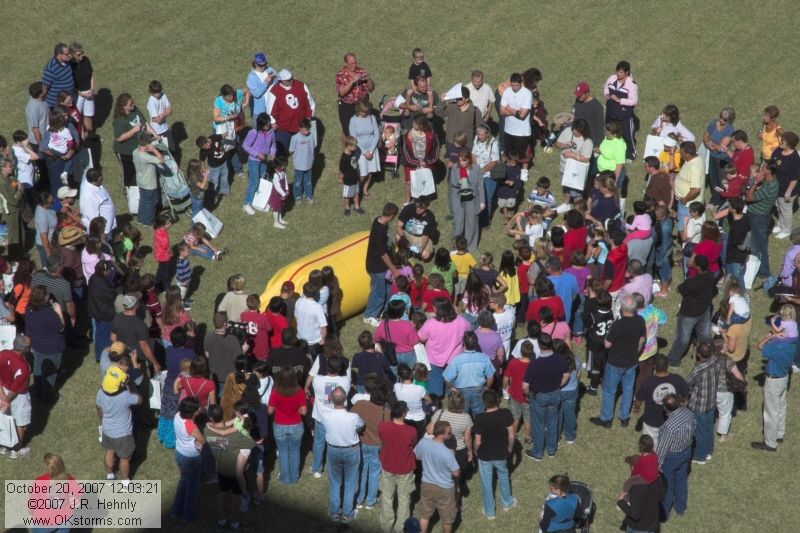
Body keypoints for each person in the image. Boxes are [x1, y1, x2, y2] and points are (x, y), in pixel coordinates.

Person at [590, 295, 646, 428]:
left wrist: (606, 336)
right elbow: (642, 340)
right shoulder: (640, 320)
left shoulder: (618, 324)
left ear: (622, 308)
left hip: (615, 362)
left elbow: (607, 345)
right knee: (627, 389)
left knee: (609, 390)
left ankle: (606, 418)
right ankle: (624, 418)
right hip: (632, 361)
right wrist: (636, 351)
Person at [203, 404, 252, 532]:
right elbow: (252, 443)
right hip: (235, 470)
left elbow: (222, 433)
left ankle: (221, 522)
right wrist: (241, 424)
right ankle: (234, 524)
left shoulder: (206, 430)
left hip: (221, 468)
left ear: (211, 419)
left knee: (222, 493)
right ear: (222, 415)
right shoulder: (236, 436)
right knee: (236, 497)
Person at [321, 386, 363, 524]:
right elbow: (361, 425)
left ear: (331, 399)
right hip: (351, 450)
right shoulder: (354, 417)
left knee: (334, 482)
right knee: (350, 483)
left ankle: (334, 512)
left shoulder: (325, 415)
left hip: (333, 450)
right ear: (345, 400)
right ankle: (347, 514)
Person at [473, 389, 517, 519]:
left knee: (486, 482)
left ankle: (490, 512)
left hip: (485, 455)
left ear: (484, 402)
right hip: (501, 452)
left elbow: (477, 441)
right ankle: (507, 503)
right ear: (497, 399)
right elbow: (511, 435)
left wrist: (476, 451)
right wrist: (510, 447)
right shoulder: (505, 413)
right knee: (503, 475)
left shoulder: (480, 418)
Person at [523, 334, 568, 460]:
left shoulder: (534, 364)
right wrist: (558, 385)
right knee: (552, 423)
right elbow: (566, 375)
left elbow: (525, 386)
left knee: (538, 425)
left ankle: (538, 452)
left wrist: (528, 394)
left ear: (539, 345)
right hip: (554, 394)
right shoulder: (560, 359)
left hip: (539, 396)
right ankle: (551, 450)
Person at [96, 361, 141, 486]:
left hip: (107, 430)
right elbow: (139, 400)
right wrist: (129, 388)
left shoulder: (100, 392)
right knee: (125, 458)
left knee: (109, 451)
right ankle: (125, 482)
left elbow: (98, 408)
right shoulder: (125, 396)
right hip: (123, 433)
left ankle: (110, 476)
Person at [667, 255, 716, 367]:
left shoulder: (693, 282)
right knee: (705, 336)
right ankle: (709, 354)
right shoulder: (710, 276)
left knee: (683, 338)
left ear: (697, 266)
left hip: (689, 314)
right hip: (704, 310)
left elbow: (679, 289)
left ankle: (673, 359)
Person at [418, 298, 471, 399]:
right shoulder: (461, 321)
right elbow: (469, 331)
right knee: (452, 380)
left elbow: (421, 338)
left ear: (436, 309)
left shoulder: (430, 323)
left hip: (434, 358)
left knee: (435, 382)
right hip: (454, 359)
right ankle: (452, 397)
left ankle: (436, 400)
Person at [750, 328, 794, 452]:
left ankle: (770, 443)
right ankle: (779, 434)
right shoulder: (792, 343)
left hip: (773, 381)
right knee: (781, 406)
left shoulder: (776, 347)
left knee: (770, 413)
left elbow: (759, 346)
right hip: (784, 377)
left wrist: (771, 336)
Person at [414, 421, 461, 533]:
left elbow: (417, 456)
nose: (451, 434)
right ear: (441, 435)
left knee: (424, 516)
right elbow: (456, 473)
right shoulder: (448, 453)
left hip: (426, 484)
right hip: (444, 489)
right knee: (447, 520)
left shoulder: (424, 442)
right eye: (449, 432)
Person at [378, 401, 418, 533]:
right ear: (404, 413)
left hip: (387, 465)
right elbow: (413, 442)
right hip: (404, 468)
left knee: (387, 496)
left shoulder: (383, 427)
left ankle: (386, 524)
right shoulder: (411, 431)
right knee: (404, 498)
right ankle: (401, 527)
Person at [634, 354, 689, 448]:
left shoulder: (648, 382)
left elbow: (639, 400)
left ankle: (654, 460)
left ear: (654, 366)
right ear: (667, 365)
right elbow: (685, 397)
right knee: (669, 444)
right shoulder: (677, 379)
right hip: (672, 420)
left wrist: (636, 407)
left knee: (650, 445)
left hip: (651, 421)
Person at [310, 355, 351, 478]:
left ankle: (316, 468)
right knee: (334, 444)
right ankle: (332, 468)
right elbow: (349, 375)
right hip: (337, 418)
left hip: (321, 417)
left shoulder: (317, 380)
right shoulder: (345, 381)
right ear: (339, 369)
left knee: (318, 443)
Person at [656, 394, 696, 519]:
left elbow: (663, 447)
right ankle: (681, 507)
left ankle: (664, 513)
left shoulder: (669, 426)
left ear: (667, 409)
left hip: (672, 457)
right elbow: (694, 426)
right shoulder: (688, 413)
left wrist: (657, 464)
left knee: (668, 484)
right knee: (681, 479)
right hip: (686, 450)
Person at [351, 381, 388, 510]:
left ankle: (359, 499)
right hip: (377, 446)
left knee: (361, 470)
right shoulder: (385, 412)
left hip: (361, 442)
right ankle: (370, 501)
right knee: (374, 473)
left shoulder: (360, 404)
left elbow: (351, 418)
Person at [25, 285, 65, 404]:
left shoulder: (29, 309)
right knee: (50, 373)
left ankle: (38, 391)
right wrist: (58, 311)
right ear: (44, 298)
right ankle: (48, 397)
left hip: (36, 344)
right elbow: (61, 327)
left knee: (38, 367)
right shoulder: (49, 314)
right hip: (51, 348)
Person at [442, 331, 496, 416]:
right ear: (476, 344)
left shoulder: (456, 360)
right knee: (479, 413)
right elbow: (490, 377)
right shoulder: (484, 358)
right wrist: (487, 387)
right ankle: (478, 427)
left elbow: (447, 378)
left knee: (462, 412)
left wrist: (451, 388)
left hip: (461, 390)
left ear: (463, 344)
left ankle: (465, 427)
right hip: (479, 388)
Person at [364, 203, 400, 327]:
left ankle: (384, 313)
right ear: (390, 216)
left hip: (383, 266)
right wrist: (394, 270)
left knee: (388, 290)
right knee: (378, 293)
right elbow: (383, 254)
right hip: (377, 267)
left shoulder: (380, 221)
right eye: (394, 217)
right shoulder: (379, 230)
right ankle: (369, 315)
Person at [170, 396, 206, 523]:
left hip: (179, 453)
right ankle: (188, 516)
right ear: (193, 412)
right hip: (191, 458)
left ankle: (175, 511)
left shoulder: (177, 416)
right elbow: (203, 440)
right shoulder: (190, 426)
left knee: (183, 482)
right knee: (192, 487)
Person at [113, 93, 157, 192]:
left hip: (137, 148)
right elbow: (118, 138)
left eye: (132, 102)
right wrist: (133, 130)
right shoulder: (119, 120)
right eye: (130, 104)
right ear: (124, 106)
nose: (133, 104)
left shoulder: (135, 110)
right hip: (125, 151)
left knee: (138, 168)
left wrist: (154, 133)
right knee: (128, 172)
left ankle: (138, 187)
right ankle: (128, 190)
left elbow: (145, 124)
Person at [266, 69, 315, 155]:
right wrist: (273, 122)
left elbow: (310, 103)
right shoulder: (274, 90)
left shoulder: (301, 86)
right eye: (288, 80)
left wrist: (308, 118)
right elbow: (270, 109)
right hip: (283, 127)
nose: (292, 80)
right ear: (281, 80)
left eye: (292, 78)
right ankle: (280, 166)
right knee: (282, 150)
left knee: (302, 150)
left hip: (300, 125)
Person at [686, 342, 719, 465]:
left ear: (699, 355)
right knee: (708, 427)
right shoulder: (715, 360)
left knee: (699, 431)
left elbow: (687, 382)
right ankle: (709, 450)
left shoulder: (698, 369)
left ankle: (700, 456)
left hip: (699, 404)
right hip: (711, 400)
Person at [0, 337, 32, 457]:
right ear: (24, 350)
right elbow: (16, 389)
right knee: (20, 421)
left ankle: (3, 444)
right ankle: (17, 449)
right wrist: (7, 400)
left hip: (3, 389)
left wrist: (2, 396)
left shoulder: (3, 353)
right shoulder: (23, 367)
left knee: (4, 418)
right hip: (18, 395)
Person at [111, 294, 160, 372]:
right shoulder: (140, 324)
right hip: (137, 360)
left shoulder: (117, 317)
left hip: (122, 358)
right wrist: (155, 363)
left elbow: (113, 337)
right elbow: (144, 346)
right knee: (141, 380)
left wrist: (118, 355)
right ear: (136, 306)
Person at [450, 148, 485, 253]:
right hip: (458, 197)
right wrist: (459, 182)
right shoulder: (455, 168)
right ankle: (455, 246)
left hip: (472, 197)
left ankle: (469, 246)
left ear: (469, 159)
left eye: (464, 160)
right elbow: (452, 183)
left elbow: (480, 185)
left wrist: (482, 202)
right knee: (458, 222)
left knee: (472, 222)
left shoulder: (476, 168)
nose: (461, 162)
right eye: (460, 160)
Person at [499, 73, 533, 181]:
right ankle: (505, 169)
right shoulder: (507, 92)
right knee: (507, 152)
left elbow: (522, 115)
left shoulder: (527, 94)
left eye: (516, 86)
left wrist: (509, 108)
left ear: (521, 83)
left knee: (523, 155)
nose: (514, 88)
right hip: (508, 129)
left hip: (522, 132)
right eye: (512, 85)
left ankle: (524, 172)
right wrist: (516, 112)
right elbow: (501, 111)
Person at [401, 113, 440, 205]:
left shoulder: (431, 134)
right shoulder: (408, 135)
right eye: (413, 123)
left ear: (422, 125)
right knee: (408, 182)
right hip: (411, 163)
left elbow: (436, 151)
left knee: (423, 182)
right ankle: (408, 200)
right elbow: (405, 151)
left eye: (415, 124)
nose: (413, 125)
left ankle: (422, 201)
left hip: (426, 163)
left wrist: (426, 162)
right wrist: (416, 162)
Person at [604, 60, 639, 160]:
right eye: (617, 71)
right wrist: (607, 94)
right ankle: (611, 151)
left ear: (627, 72)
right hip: (611, 113)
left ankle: (631, 154)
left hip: (624, 115)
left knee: (628, 135)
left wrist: (619, 100)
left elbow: (633, 101)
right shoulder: (611, 79)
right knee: (609, 131)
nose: (618, 74)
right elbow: (606, 87)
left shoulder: (632, 85)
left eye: (621, 72)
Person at [242, 112, 276, 214]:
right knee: (254, 182)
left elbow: (273, 144)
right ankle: (247, 203)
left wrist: (273, 153)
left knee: (262, 182)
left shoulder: (271, 132)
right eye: (266, 124)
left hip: (264, 161)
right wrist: (257, 154)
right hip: (254, 161)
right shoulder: (253, 132)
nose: (268, 125)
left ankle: (258, 202)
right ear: (261, 124)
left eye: (269, 123)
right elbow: (245, 145)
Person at [769, 131, 800, 238]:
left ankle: (786, 230)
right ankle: (781, 225)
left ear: (789, 145)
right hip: (777, 186)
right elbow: (773, 160)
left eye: (783, 141)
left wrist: (788, 192)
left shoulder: (795, 159)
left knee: (786, 210)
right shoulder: (779, 150)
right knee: (778, 206)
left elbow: (795, 178)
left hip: (788, 190)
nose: (780, 141)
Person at [336, 52, 374, 136]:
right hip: (347, 107)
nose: (354, 65)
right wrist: (352, 82)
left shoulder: (362, 71)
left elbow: (371, 89)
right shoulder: (340, 75)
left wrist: (369, 79)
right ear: (346, 63)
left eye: (355, 63)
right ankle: (347, 148)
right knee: (348, 131)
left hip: (362, 105)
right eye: (351, 63)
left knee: (363, 129)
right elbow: (341, 93)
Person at [703, 108, 736, 204]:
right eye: (721, 118)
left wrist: (710, 143)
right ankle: (716, 198)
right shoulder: (714, 123)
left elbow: (721, 147)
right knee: (713, 178)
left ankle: (724, 200)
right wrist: (708, 142)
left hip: (723, 159)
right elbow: (705, 134)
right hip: (712, 157)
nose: (721, 120)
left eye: (724, 120)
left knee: (722, 180)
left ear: (729, 120)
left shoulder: (730, 129)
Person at [204, 312, 244, 392]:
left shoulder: (208, 337)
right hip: (230, 377)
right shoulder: (233, 339)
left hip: (215, 376)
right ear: (225, 323)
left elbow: (207, 355)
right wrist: (244, 349)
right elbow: (239, 359)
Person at [349, 101, 381, 199]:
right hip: (360, 150)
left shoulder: (372, 118)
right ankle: (355, 191)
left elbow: (376, 134)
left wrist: (371, 151)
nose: (365, 113)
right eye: (363, 111)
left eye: (366, 112)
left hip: (372, 149)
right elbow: (353, 137)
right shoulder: (353, 120)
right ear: (358, 109)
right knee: (363, 173)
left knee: (370, 171)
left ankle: (365, 189)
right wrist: (364, 152)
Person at [132, 132, 164, 226]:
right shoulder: (146, 157)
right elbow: (161, 160)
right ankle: (148, 221)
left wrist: (146, 147)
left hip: (141, 180)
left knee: (143, 200)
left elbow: (140, 147)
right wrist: (154, 150)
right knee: (152, 202)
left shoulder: (135, 152)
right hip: (149, 183)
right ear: (147, 144)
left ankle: (140, 218)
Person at [673, 141, 704, 233]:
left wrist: (684, 200)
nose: (680, 155)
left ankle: (686, 246)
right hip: (685, 203)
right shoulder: (695, 158)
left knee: (684, 230)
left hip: (688, 205)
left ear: (687, 153)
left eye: (682, 153)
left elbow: (696, 189)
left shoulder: (694, 167)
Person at [80, 169, 117, 236]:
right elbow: (92, 217)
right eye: (101, 179)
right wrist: (100, 232)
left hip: (106, 224)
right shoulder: (89, 196)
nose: (102, 180)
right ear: (96, 180)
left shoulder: (91, 184)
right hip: (102, 230)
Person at [289, 118, 317, 205]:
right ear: (299, 129)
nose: (306, 132)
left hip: (309, 163)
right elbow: (291, 150)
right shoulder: (295, 138)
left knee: (308, 181)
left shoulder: (311, 136)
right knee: (298, 181)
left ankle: (308, 195)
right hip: (298, 165)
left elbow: (313, 146)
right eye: (304, 130)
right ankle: (297, 196)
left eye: (307, 130)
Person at [295, 282, 328, 355]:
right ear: (316, 293)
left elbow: (296, 317)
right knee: (316, 359)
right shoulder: (317, 307)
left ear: (303, 292)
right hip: (314, 341)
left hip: (301, 337)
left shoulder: (298, 301)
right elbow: (323, 326)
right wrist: (323, 338)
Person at [247, 52, 278, 121]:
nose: (263, 67)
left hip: (273, 107)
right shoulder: (251, 77)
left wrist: (275, 79)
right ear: (255, 64)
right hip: (260, 111)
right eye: (260, 65)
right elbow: (257, 94)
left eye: (265, 64)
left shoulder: (270, 70)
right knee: (258, 131)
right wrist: (266, 82)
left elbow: (279, 82)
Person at [42, 43, 74, 109]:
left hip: (68, 100)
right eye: (67, 54)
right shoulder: (51, 69)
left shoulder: (67, 61)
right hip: (56, 105)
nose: (69, 55)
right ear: (59, 55)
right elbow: (45, 88)